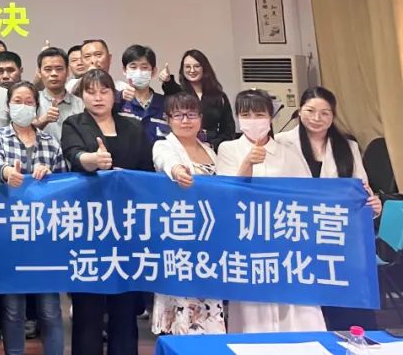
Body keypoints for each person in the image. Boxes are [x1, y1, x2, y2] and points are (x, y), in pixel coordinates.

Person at [60, 68, 153, 355]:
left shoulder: (133, 127)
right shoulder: (74, 124)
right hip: (89, 226)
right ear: (82, 96)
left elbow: (147, 171)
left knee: (124, 307)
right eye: (90, 92)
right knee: (88, 308)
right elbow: (75, 155)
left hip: (126, 225)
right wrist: (95, 160)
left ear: (115, 95)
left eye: (104, 91)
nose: (97, 97)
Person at [216, 89, 325, 333]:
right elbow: (226, 195)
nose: (253, 120)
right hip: (248, 239)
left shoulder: (288, 152)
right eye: (246, 115)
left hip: (285, 237)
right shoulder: (228, 149)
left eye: (259, 114)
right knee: (253, 308)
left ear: (270, 117)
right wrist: (247, 163)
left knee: (294, 306)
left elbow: (307, 194)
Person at [276, 86, 381, 331]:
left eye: (325, 113)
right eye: (310, 111)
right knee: (308, 311)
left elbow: (360, 192)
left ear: (333, 116)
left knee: (347, 308)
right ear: (299, 111)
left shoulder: (348, 147)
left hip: (336, 236)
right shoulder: (281, 143)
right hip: (297, 233)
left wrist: (373, 206)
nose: (317, 118)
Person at [0, 82, 67, 355]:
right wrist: (7, 172)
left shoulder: (50, 142)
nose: (23, 106)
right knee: (12, 309)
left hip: (45, 236)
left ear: (36, 106)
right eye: (17, 101)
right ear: (8, 106)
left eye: (29, 101)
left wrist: (50, 176)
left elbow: (67, 184)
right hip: (11, 234)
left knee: (50, 309)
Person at [150, 92, 225, 335]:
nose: (185, 120)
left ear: (200, 118)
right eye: (178, 115)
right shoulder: (164, 145)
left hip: (210, 236)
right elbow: (167, 161)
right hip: (180, 235)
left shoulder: (210, 150)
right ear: (168, 119)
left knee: (210, 303)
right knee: (182, 304)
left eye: (191, 114)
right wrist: (178, 171)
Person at [160, 50, 236, 150]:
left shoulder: (218, 96)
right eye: (187, 67)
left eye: (196, 66)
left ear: (204, 68)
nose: (192, 70)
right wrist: (168, 81)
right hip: (182, 148)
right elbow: (171, 90)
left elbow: (228, 130)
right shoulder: (178, 94)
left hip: (212, 149)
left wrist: (212, 145)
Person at [117, 45, 169, 144]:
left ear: (153, 72)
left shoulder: (166, 104)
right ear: (124, 70)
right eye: (133, 67)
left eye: (144, 67)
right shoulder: (117, 101)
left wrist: (169, 82)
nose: (139, 72)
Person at [35, 47, 84, 142]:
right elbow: (23, 134)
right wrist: (42, 121)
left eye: (59, 69)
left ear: (68, 71)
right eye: (48, 69)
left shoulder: (80, 103)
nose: (54, 74)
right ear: (39, 72)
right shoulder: (32, 101)